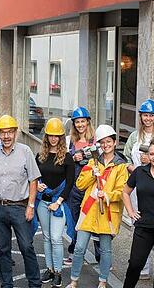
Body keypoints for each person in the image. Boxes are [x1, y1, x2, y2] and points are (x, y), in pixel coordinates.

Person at [67, 124, 128, 288]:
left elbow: (122, 191)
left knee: (105, 250)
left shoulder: (121, 166)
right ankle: (74, 280)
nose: (106, 145)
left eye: (109, 141)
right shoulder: (94, 161)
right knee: (79, 248)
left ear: (114, 142)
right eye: (102, 142)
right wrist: (91, 175)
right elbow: (80, 185)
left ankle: (102, 281)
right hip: (89, 210)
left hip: (107, 212)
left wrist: (107, 195)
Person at [0, 115, 41, 288]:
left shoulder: (25, 151)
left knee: (26, 246)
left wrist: (31, 205)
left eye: (10, 132)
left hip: (19, 207)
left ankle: (35, 283)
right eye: (3, 132)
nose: (6, 136)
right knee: (3, 249)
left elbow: (33, 180)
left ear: (15, 133)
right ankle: (6, 284)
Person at [121, 99, 154, 279]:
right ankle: (142, 266)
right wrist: (136, 170)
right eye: (145, 115)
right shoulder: (133, 137)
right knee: (138, 227)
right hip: (139, 184)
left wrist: (152, 162)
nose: (148, 118)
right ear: (141, 117)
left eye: (151, 115)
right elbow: (125, 159)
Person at [122, 134, 154, 288]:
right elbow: (125, 192)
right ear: (147, 154)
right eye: (152, 154)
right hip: (143, 226)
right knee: (135, 264)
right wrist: (130, 211)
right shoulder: (140, 172)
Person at [34, 118, 74, 288]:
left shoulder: (67, 157)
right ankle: (49, 269)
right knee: (47, 237)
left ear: (61, 137)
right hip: (43, 202)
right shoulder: (40, 156)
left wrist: (58, 201)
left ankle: (58, 272)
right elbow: (34, 176)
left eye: (57, 136)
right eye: (51, 135)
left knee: (57, 239)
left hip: (58, 203)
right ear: (46, 136)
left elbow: (70, 183)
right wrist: (37, 184)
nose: (53, 138)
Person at [65, 106, 94, 263]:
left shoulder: (94, 140)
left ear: (88, 122)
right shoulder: (71, 141)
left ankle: (100, 255)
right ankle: (75, 251)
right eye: (77, 122)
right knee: (75, 220)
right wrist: (72, 157)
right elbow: (64, 160)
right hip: (75, 187)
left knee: (95, 219)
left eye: (83, 121)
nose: (80, 125)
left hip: (92, 185)